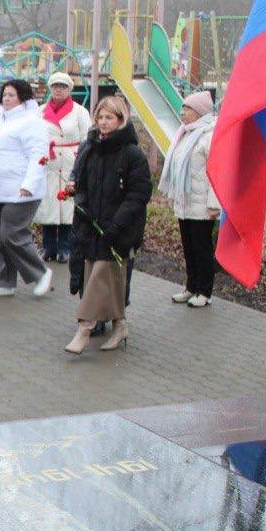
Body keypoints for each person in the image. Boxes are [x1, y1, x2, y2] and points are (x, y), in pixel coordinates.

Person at [63, 96, 152, 355]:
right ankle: (120, 325)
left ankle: (84, 328)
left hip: (119, 229)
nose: (103, 122)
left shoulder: (132, 154)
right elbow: (83, 182)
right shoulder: (91, 148)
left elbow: (138, 195)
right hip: (93, 226)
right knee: (108, 280)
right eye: (100, 117)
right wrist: (75, 190)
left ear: (121, 120)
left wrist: (117, 225)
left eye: (109, 117)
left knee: (100, 277)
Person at [0, 79, 54, 299]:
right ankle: (4, 282)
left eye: (11, 95)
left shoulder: (31, 121)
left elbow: (38, 155)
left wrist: (29, 184)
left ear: (23, 98)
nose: (6, 99)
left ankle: (41, 272)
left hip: (20, 191)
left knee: (11, 233)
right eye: (5, 95)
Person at [158, 90, 220, 309]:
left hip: (202, 204)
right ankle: (191, 287)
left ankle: (205, 291)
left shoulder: (209, 135)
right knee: (189, 248)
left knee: (202, 249)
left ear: (200, 111)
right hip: (185, 202)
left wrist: (214, 204)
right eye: (182, 108)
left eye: (187, 108)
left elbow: (217, 172)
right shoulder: (184, 133)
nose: (182, 112)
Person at [35, 71, 92, 263]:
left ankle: (65, 248)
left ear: (69, 89)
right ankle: (48, 247)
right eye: (55, 86)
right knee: (49, 204)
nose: (59, 90)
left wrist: (81, 160)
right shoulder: (40, 111)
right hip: (49, 163)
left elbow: (87, 139)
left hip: (70, 163)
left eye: (63, 86)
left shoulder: (80, 112)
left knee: (67, 205)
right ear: (50, 88)